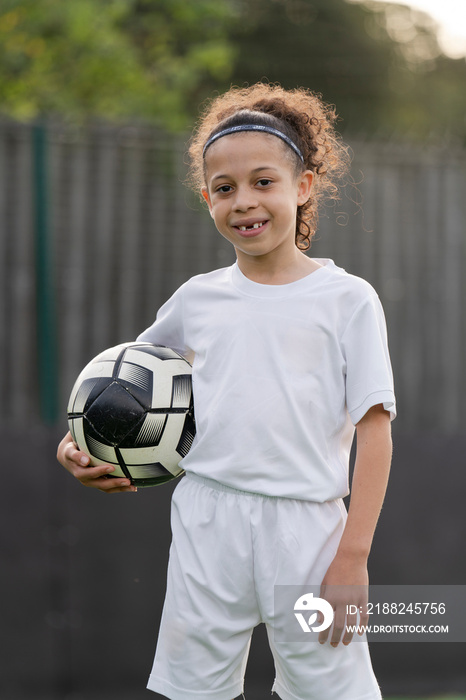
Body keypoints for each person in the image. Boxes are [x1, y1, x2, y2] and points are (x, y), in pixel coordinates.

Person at [57, 82, 396, 700]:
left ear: (305, 187)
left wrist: (353, 557)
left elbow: (376, 429)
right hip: (207, 519)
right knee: (194, 690)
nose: (243, 201)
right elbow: (121, 390)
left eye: (263, 181)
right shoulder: (197, 299)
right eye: (224, 188)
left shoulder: (348, 300)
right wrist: (79, 447)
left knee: (331, 692)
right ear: (208, 198)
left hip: (310, 535)